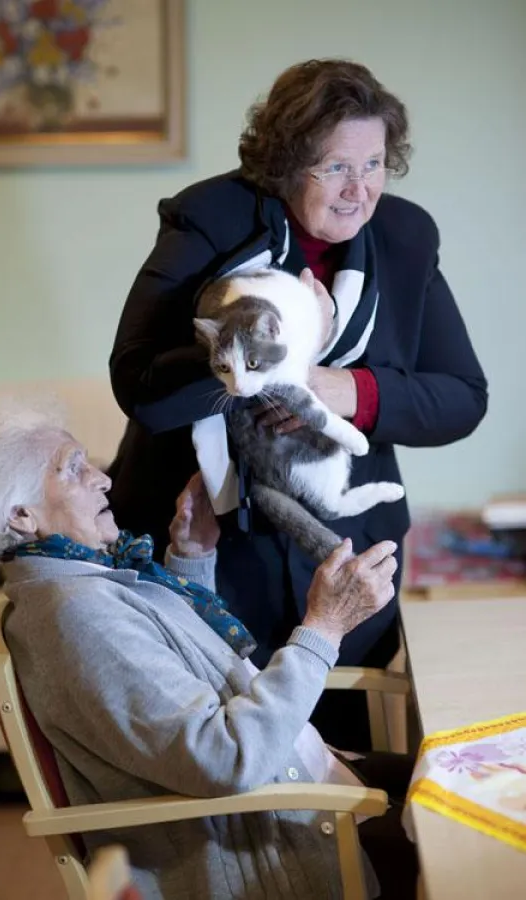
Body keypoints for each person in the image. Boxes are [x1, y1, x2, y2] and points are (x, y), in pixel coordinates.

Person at [107, 59, 488, 748]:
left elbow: (462, 397)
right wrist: (259, 364)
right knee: (230, 753)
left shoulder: (404, 239)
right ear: (286, 162)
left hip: (345, 536)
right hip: (207, 541)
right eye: (336, 166)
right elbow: (137, 383)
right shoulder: (211, 219)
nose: (359, 188)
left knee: (346, 756)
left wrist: (349, 390)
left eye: (374, 163)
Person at [0, 398, 417, 900]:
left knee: (462, 770)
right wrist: (326, 626)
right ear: (21, 515)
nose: (104, 479)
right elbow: (225, 759)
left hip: (305, 777)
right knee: (470, 836)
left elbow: (171, 676)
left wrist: (190, 558)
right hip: (283, 839)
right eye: (73, 470)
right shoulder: (74, 613)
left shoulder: (78, 581)